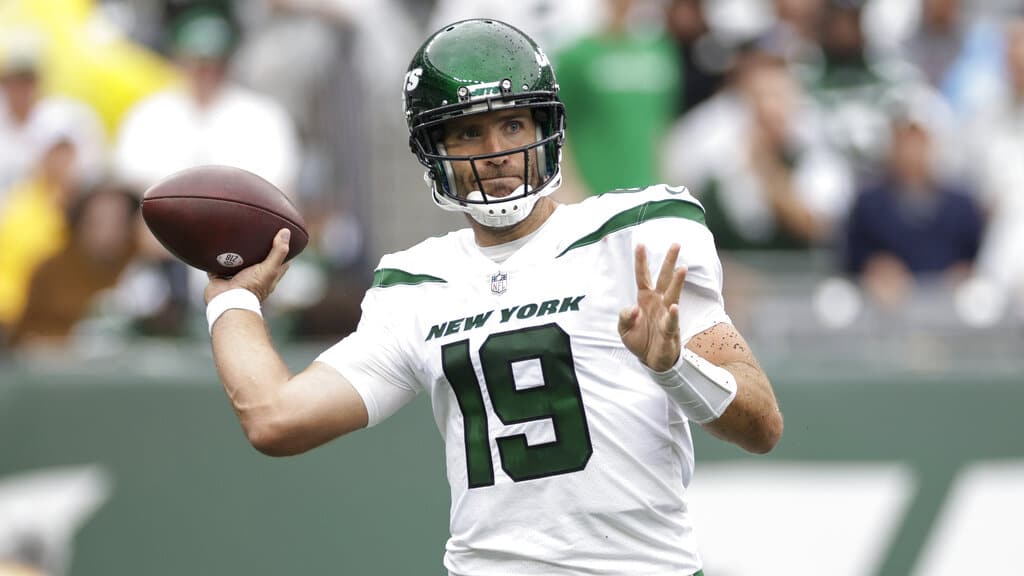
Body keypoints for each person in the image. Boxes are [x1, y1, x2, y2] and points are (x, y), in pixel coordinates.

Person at [204, 19, 783, 575]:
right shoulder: (417, 284)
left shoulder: (635, 235)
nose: (496, 150)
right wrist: (232, 300)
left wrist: (674, 366)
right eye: (469, 132)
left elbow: (762, 426)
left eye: (512, 125)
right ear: (435, 150)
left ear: (544, 130)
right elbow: (276, 420)